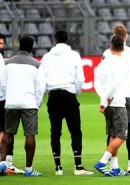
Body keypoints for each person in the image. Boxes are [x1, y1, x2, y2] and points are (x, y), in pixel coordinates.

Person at [40, 30, 93, 176]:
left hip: (53, 95)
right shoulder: (74, 55)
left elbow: (41, 79)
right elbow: (80, 79)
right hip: (68, 94)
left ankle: (58, 168)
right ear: (67, 39)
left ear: (55, 40)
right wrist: (74, 92)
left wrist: (48, 92)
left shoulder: (46, 57)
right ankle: (78, 166)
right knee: (75, 130)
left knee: (55, 131)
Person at [102, 24, 130, 173]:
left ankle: (111, 164)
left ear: (113, 35)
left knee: (112, 131)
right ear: (126, 36)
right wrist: (129, 73)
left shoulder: (106, 53)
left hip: (114, 96)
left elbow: (103, 75)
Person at [0, 36, 46, 176]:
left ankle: (2, 164)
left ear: (19, 46)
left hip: (11, 102)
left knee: (8, 133)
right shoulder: (37, 64)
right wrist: (37, 102)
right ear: (32, 47)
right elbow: (40, 87)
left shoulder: (7, 62)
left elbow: (2, 82)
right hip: (29, 103)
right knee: (30, 135)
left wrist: (7, 97)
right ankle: (29, 169)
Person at [94, 35, 130, 177]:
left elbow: (97, 81)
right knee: (122, 135)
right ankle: (102, 162)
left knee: (113, 134)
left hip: (107, 103)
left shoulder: (103, 62)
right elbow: (115, 84)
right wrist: (106, 100)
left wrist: (102, 99)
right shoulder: (122, 64)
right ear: (123, 47)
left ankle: (115, 167)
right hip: (116, 102)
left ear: (110, 46)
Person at [0, 33, 24, 175]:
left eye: (2, 43)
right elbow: (3, 82)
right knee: (7, 131)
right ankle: (6, 164)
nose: (1, 46)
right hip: (2, 98)